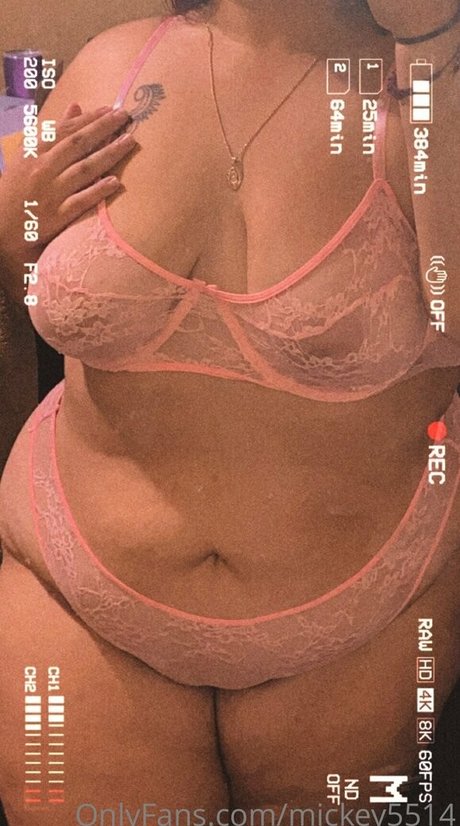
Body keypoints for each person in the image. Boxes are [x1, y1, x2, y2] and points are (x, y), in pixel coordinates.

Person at [0, 0, 459, 822]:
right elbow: (33, 289)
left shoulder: (428, 82)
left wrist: (434, 41)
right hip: (73, 589)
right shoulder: (115, 61)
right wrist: (11, 226)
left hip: (358, 624)